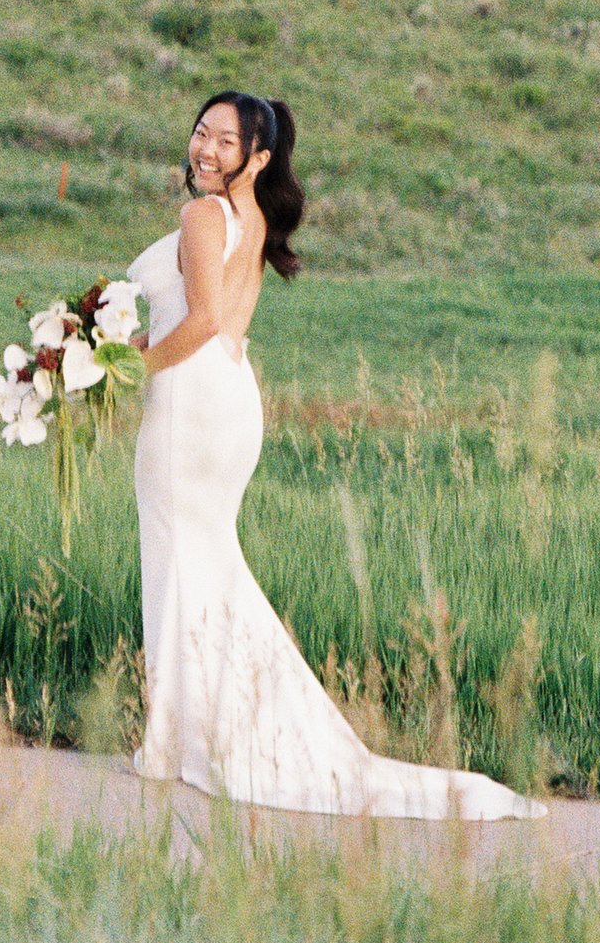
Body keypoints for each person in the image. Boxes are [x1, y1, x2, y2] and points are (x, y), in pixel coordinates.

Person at [124, 89, 546, 820]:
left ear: (256, 157)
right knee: (206, 556)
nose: (204, 149)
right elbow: (213, 320)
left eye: (225, 142)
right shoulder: (250, 217)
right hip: (228, 396)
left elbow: (202, 319)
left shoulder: (203, 214)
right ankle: (201, 725)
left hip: (190, 400)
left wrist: (132, 368)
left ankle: (175, 737)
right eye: (200, 133)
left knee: (176, 554)